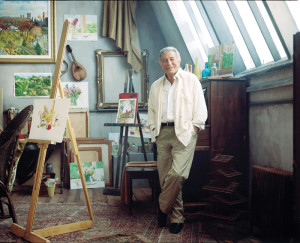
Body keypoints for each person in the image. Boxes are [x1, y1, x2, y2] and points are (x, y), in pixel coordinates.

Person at [148, 47, 207, 234]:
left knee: (178, 175)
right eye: (165, 60)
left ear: (178, 60)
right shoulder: (156, 86)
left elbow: (200, 108)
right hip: (162, 133)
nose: (169, 63)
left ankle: (162, 208)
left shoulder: (191, 81)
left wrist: (194, 128)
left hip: (184, 132)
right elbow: (151, 112)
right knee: (166, 178)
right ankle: (176, 218)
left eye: (172, 59)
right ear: (160, 63)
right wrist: (153, 131)